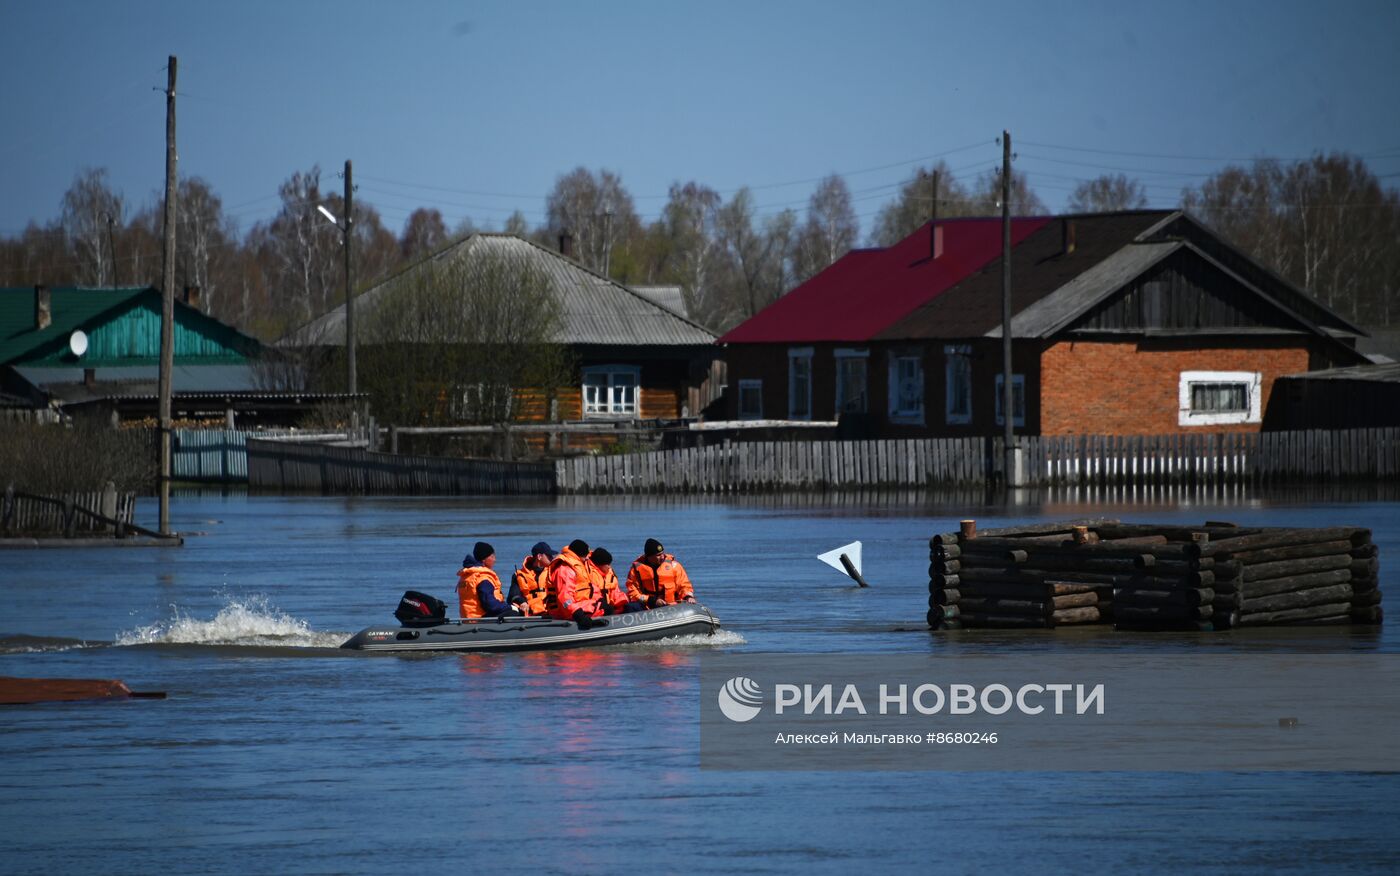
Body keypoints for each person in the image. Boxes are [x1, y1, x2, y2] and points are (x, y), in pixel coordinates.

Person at [546, 538, 607, 629]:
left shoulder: (579, 566)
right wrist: (578, 615)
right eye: (585, 555)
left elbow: (589, 588)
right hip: (565, 612)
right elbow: (565, 598)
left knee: (606, 607)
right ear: (579, 554)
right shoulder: (565, 569)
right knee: (604, 610)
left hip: (579, 605)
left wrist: (599, 599)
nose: (587, 558)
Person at [457, 541, 521, 619]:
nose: (495, 560)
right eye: (492, 556)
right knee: (514, 613)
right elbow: (490, 605)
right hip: (480, 618)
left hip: (468, 618)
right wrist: (510, 607)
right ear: (484, 559)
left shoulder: (467, 575)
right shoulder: (483, 578)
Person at [626, 538, 697, 608]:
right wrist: (651, 600)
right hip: (647, 606)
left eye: (662, 553)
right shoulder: (636, 569)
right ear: (649, 556)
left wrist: (688, 597)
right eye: (658, 555)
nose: (662, 557)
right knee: (630, 607)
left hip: (672, 606)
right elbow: (632, 592)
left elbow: (684, 585)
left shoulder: (674, 566)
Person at [590, 548, 645, 615]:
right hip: (598, 610)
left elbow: (615, 591)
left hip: (611, 607)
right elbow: (592, 595)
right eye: (607, 564)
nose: (609, 567)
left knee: (631, 606)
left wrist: (623, 601)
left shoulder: (609, 574)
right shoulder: (590, 575)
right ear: (599, 564)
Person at [509, 541, 553, 616]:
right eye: (549, 556)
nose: (552, 558)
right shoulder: (519, 575)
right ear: (539, 556)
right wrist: (522, 602)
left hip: (549, 612)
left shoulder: (552, 572)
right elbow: (514, 595)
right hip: (529, 613)